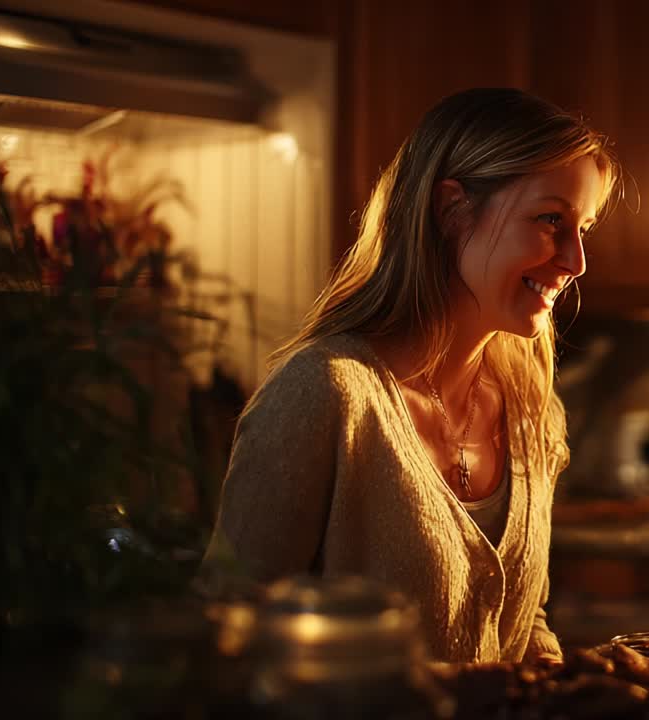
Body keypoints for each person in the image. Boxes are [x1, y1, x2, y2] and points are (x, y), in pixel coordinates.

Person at [203, 87, 621, 664]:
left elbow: (525, 625)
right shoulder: (324, 393)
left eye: (585, 228)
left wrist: (563, 681)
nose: (576, 260)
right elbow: (229, 639)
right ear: (452, 210)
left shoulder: (531, 408)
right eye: (552, 220)